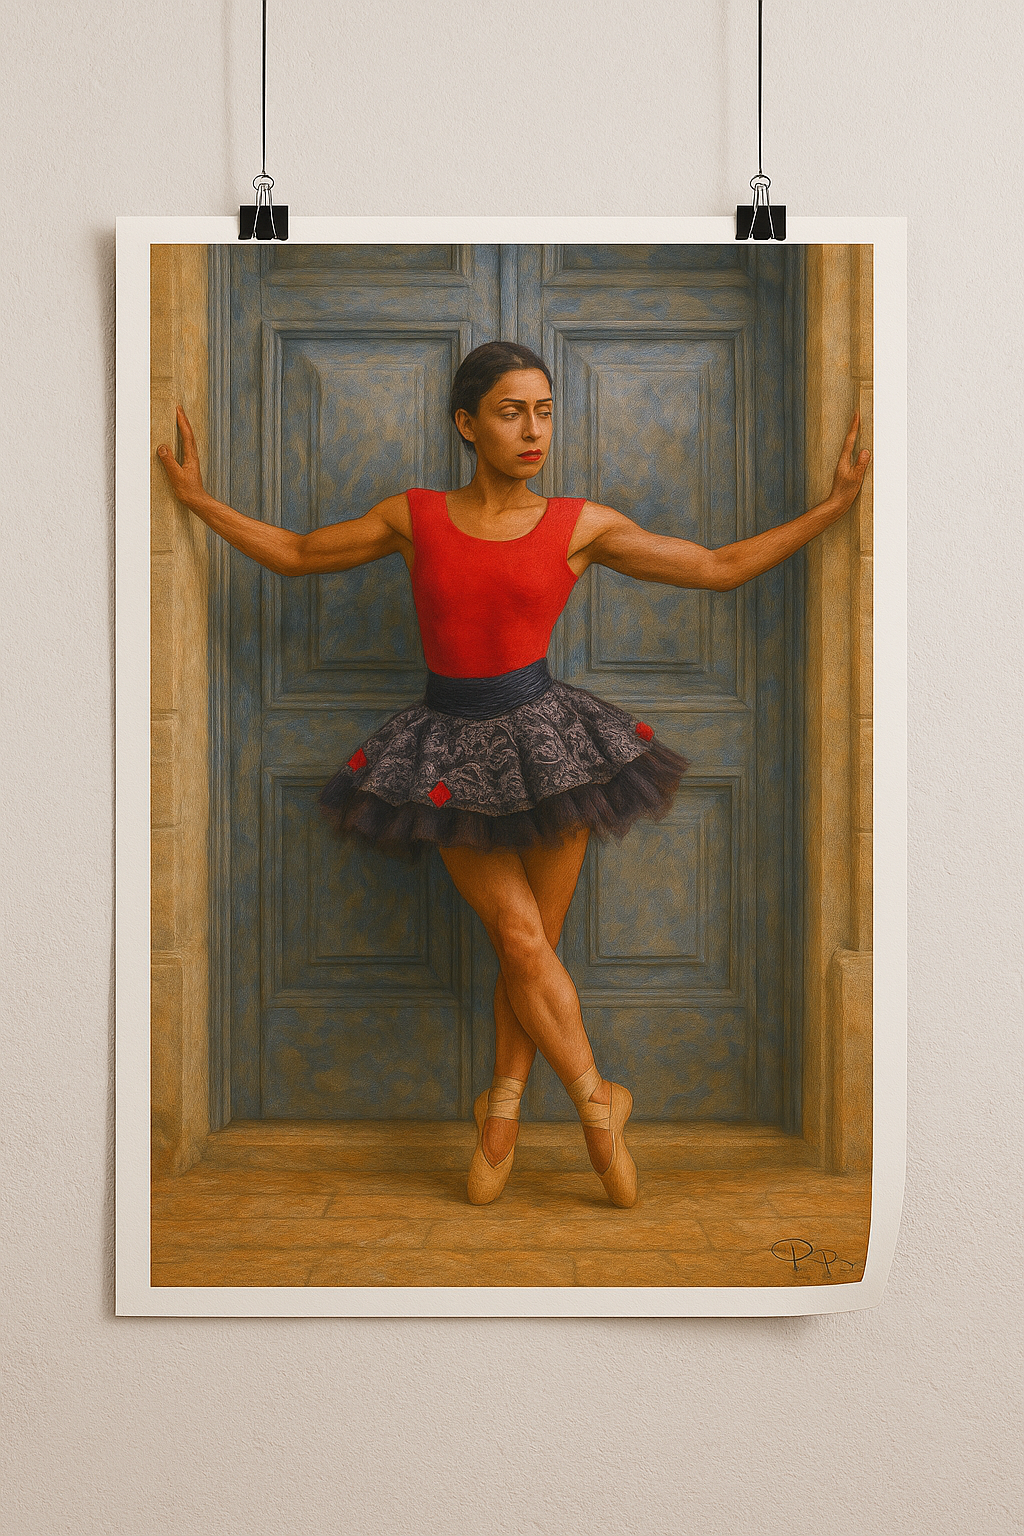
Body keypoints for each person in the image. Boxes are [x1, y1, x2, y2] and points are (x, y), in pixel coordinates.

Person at [157, 340, 869, 1211]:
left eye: (543, 410)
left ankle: (499, 1114)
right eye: (509, 411)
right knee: (521, 940)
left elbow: (717, 568)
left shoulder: (581, 525)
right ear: (466, 424)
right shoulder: (412, 517)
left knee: (526, 949)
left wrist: (835, 507)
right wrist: (196, 502)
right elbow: (302, 554)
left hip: (550, 750)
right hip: (446, 751)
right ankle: (598, 1106)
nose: (533, 430)